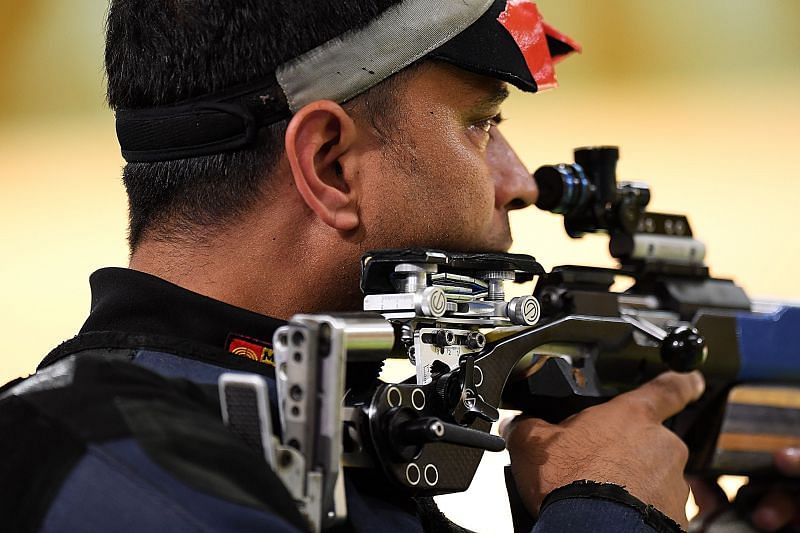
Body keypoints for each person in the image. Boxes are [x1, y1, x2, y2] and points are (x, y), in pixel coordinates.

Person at [0, 0, 793, 531]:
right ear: (331, 164)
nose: (519, 181)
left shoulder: (327, 439)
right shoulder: (95, 466)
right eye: (482, 123)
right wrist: (606, 511)